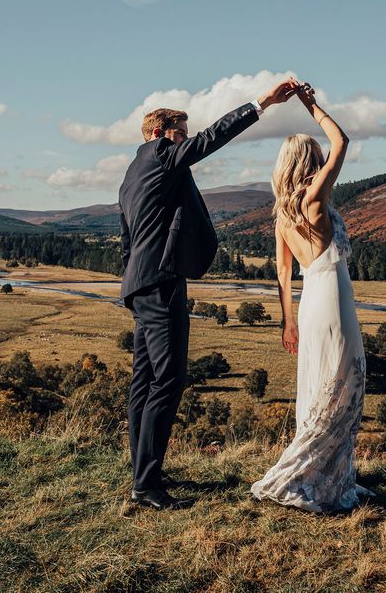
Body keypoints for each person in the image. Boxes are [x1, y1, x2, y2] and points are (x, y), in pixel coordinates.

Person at [119, 77, 300, 510]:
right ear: (163, 134)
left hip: (141, 284)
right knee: (169, 379)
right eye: (181, 132)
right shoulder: (164, 156)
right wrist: (262, 104)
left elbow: (127, 240)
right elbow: (212, 138)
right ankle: (146, 486)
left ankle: (144, 473)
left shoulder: (131, 173)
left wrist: (134, 281)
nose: (187, 140)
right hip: (161, 283)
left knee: (145, 380)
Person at [250, 82, 374, 513]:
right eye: (317, 159)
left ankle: (326, 475)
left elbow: (283, 273)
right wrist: (310, 105)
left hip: (309, 301)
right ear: (311, 163)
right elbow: (342, 140)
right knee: (346, 382)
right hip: (333, 295)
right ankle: (318, 477)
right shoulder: (315, 200)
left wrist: (288, 323)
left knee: (323, 383)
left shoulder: (284, 214)